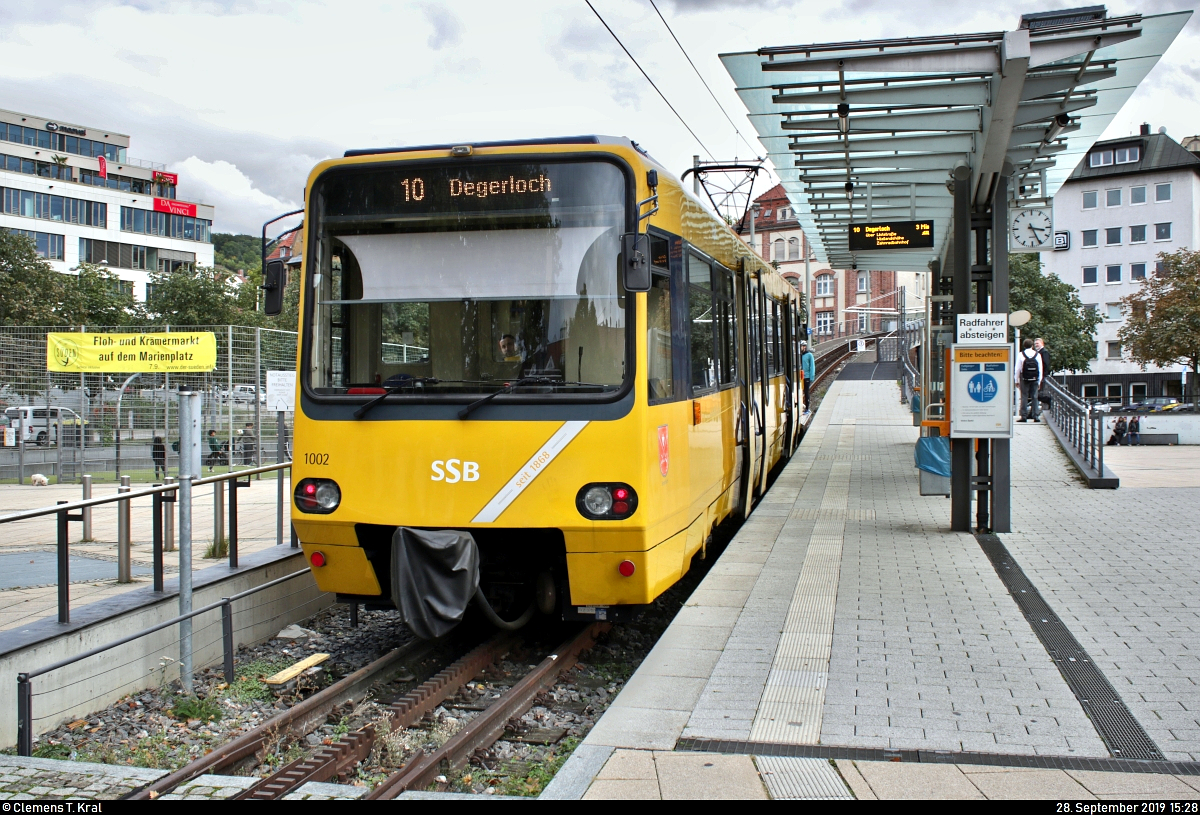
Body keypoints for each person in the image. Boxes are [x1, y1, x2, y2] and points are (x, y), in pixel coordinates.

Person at [1016, 338, 1043, 422]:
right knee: (1034, 397)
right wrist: (1039, 381)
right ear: (1032, 345)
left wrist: (1016, 380)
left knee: (1024, 396)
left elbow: (1017, 368)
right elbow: (1040, 369)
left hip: (1024, 378)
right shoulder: (1037, 354)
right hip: (1035, 378)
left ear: (1024, 345)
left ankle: (1023, 416)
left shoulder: (1021, 354)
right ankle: (1036, 416)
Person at [1035, 338, 1052, 407]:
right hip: (1039, 375)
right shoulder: (1038, 352)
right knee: (1036, 393)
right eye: (1035, 344)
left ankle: (1047, 399)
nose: (1036, 345)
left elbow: (1046, 364)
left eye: (1037, 343)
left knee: (1038, 393)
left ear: (1042, 344)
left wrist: (1043, 375)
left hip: (1042, 375)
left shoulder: (1044, 352)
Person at [800, 341, 815, 413]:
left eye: (801, 346)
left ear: (804, 347)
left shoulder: (809, 355)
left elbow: (812, 366)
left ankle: (807, 408)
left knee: (806, 392)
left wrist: (811, 377)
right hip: (800, 377)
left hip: (807, 376)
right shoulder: (799, 355)